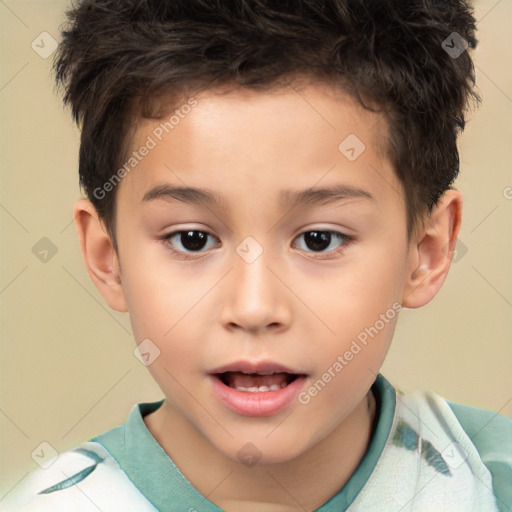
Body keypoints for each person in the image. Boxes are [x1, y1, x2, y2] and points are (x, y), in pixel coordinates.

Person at [3, 1, 511, 511]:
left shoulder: (491, 482)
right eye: (192, 239)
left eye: (319, 239)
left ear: (426, 251)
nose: (254, 307)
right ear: (107, 256)